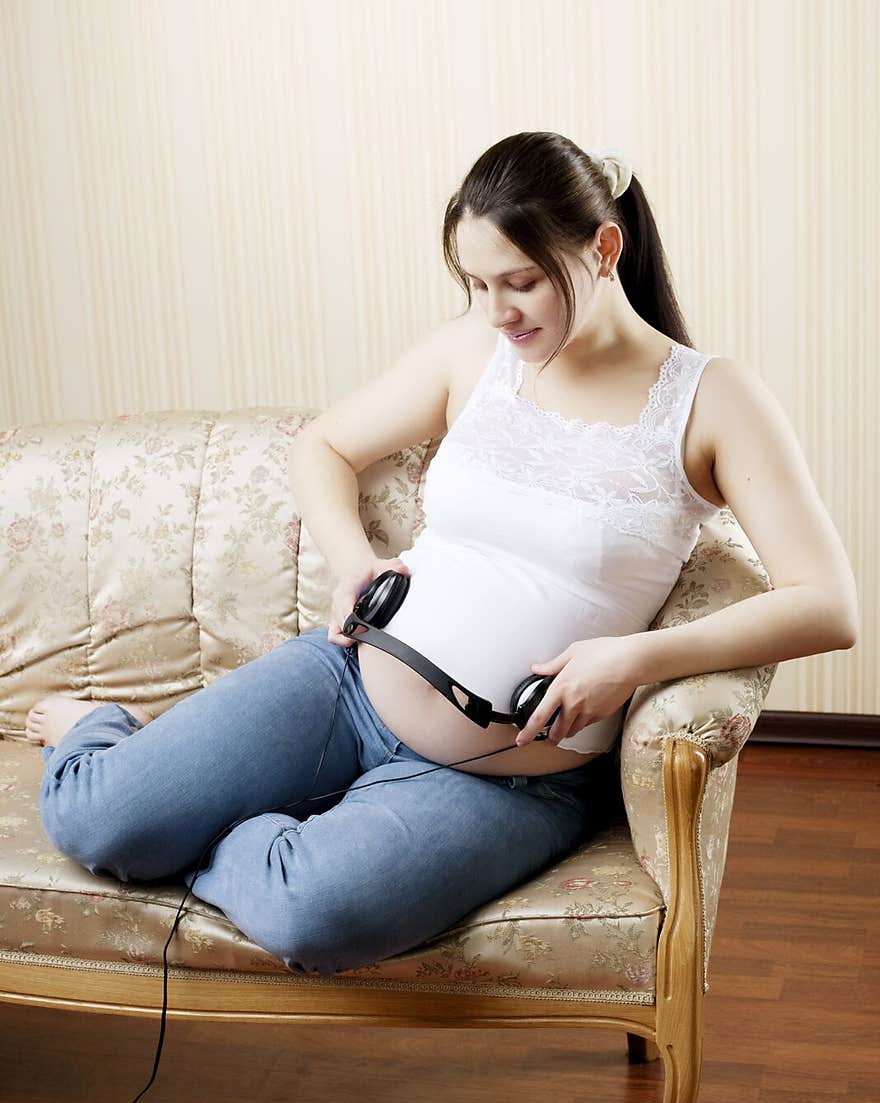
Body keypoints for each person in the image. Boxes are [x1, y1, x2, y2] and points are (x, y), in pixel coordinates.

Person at [26, 132, 858, 977]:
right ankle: (113, 741)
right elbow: (323, 446)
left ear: (604, 250)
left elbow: (826, 603)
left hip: (504, 778)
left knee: (312, 915)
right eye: (477, 283)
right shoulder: (473, 351)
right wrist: (355, 562)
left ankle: (225, 821)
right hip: (348, 683)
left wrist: (632, 658)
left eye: (521, 281)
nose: (498, 311)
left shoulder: (713, 399)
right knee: (96, 821)